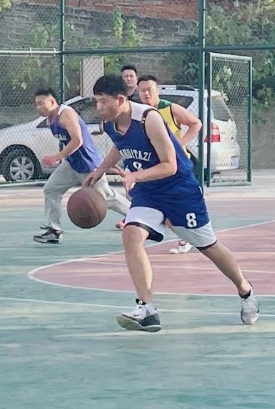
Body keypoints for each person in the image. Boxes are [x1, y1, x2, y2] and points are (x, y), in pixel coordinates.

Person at [84, 74, 258, 332]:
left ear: (120, 100)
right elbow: (120, 146)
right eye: (96, 101)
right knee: (131, 234)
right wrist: (100, 169)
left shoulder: (148, 119)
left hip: (180, 191)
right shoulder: (109, 123)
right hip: (149, 193)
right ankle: (147, 308)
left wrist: (134, 176)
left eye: (103, 102)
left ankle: (245, 291)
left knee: (209, 247)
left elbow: (170, 165)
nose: (98, 107)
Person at [32, 87, 129, 244]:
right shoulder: (51, 119)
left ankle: (140, 217)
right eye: (36, 104)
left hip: (88, 164)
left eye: (41, 103)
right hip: (72, 164)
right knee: (51, 189)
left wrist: (57, 157)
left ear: (52, 102)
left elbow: (78, 140)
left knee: (107, 198)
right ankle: (53, 230)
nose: (38, 107)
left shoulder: (66, 114)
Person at [134, 74, 202, 254]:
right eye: (142, 90)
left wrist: (181, 142)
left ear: (157, 90)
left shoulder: (169, 108)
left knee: (179, 205)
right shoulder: (138, 112)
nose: (146, 93)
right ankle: (147, 229)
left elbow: (196, 123)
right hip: (154, 166)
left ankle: (190, 236)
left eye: (150, 90)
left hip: (177, 166)